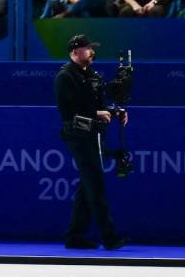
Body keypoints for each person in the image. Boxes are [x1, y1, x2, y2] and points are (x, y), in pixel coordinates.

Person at [54, 34, 125, 250]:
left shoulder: (92, 74)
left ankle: (74, 236)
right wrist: (97, 113)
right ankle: (109, 237)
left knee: (87, 186)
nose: (92, 52)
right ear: (75, 52)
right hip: (77, 135)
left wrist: (115, 111)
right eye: (87, 49)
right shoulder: (64, 77)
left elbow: (99, 102)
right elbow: (69, 112)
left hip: (95, 134)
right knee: (95, 184)